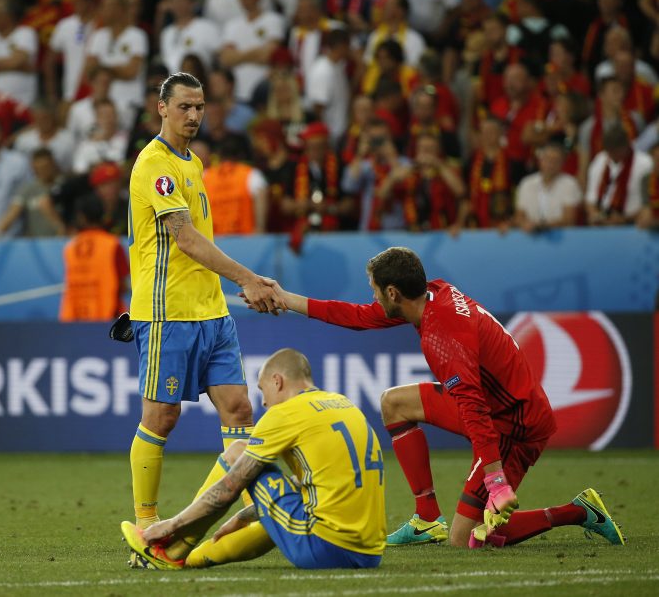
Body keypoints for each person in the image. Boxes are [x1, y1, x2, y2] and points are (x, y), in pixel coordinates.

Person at [255, 247, 627, 549]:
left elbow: (473, 404)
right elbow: (358, 316)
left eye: (374, 289)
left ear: (393, 293)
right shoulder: (433, 294)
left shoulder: (441, 336)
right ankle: (427, 518)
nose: (371, 296)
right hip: (497, 407)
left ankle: (579, 511)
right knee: (394, 403)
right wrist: (285, 299)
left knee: (467, 538)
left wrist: (497, 482)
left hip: (515, 425)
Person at [124, 72, 283, 561]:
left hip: (212, 313)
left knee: (238, 410)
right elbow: (185, 239)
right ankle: (148, 526)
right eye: (185, 107)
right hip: (167, 313)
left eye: (200, 107)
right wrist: (248, 279)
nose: (194, 115)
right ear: (162, 108)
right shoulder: (156, 164)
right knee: (162, 417)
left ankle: (203, 521)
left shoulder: (192, 162)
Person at [121, 348, 385, 570]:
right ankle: (186, 558)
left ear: (277, 381)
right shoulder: (343, 404)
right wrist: (244, 516)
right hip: (370, 552)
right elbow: (315, 481)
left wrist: (172, 524)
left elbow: (229, 489)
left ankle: (172, 552)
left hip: (325, 547)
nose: (264, 403)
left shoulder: (285, 414)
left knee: (237, 452)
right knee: (283, 499)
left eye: (263, 390)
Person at [58, 193, 129, 322]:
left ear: (81, 217)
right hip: (108, 316)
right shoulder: (113, 244)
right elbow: (123, 285)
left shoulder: (70, 247)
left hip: (75, 318)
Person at [586, 124, 653, 226]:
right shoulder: (600, 160)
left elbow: (649, 204)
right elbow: (591, 197)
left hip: (632, 224)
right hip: (602, 224)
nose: (612, 155)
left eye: (615, 152)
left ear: (626, 146)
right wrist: (595, 214)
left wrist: (624, 219)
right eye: (609, 151)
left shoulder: (645, 164)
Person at [514, 139, 582, 232]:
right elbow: (519, 216)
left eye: (555, 161)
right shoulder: (527, 183)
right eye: (547, 159)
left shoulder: (569, 184)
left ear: (562, 163)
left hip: (561, 238)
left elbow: (569, 220)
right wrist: (525, 224)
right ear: (540, 160)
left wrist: (542, 226)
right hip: (531, 237)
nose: (551, 164)